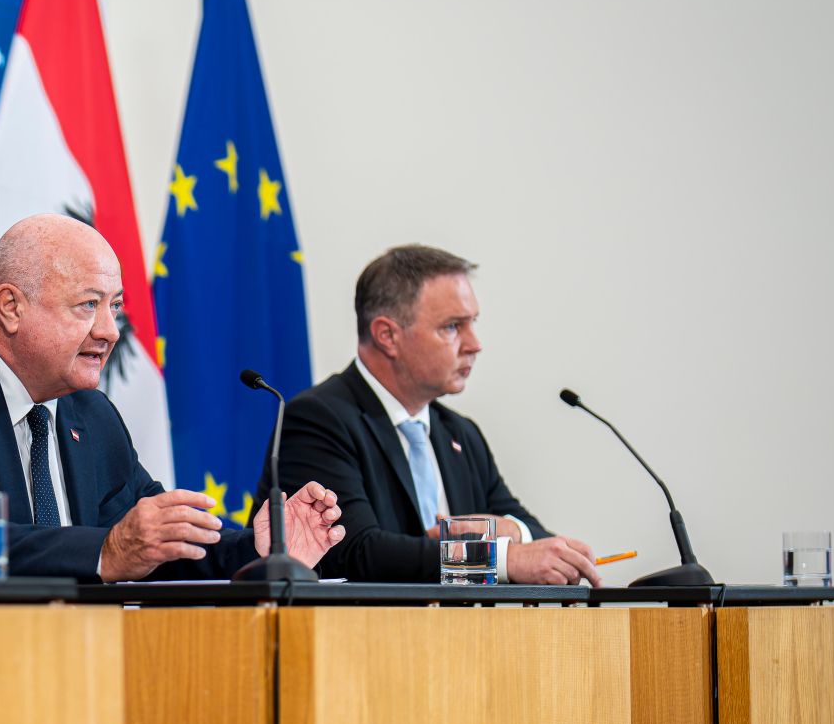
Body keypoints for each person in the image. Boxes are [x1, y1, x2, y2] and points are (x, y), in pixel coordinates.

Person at [0, 213, 344, 580]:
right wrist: (105, 548)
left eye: (115, 307)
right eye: (88, 305)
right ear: (11, 306)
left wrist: (260, 548)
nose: (111, 331)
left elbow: (154, 545)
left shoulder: (91, 415)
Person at [253, 244, 598, 585]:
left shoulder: (459, 434)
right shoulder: (318, 419)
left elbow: (536, 538)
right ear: (387, 335)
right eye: (452, 327)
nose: (474, 343)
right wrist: (499, 560)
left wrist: (514, 532)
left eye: (472, 323)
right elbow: (356, 552)